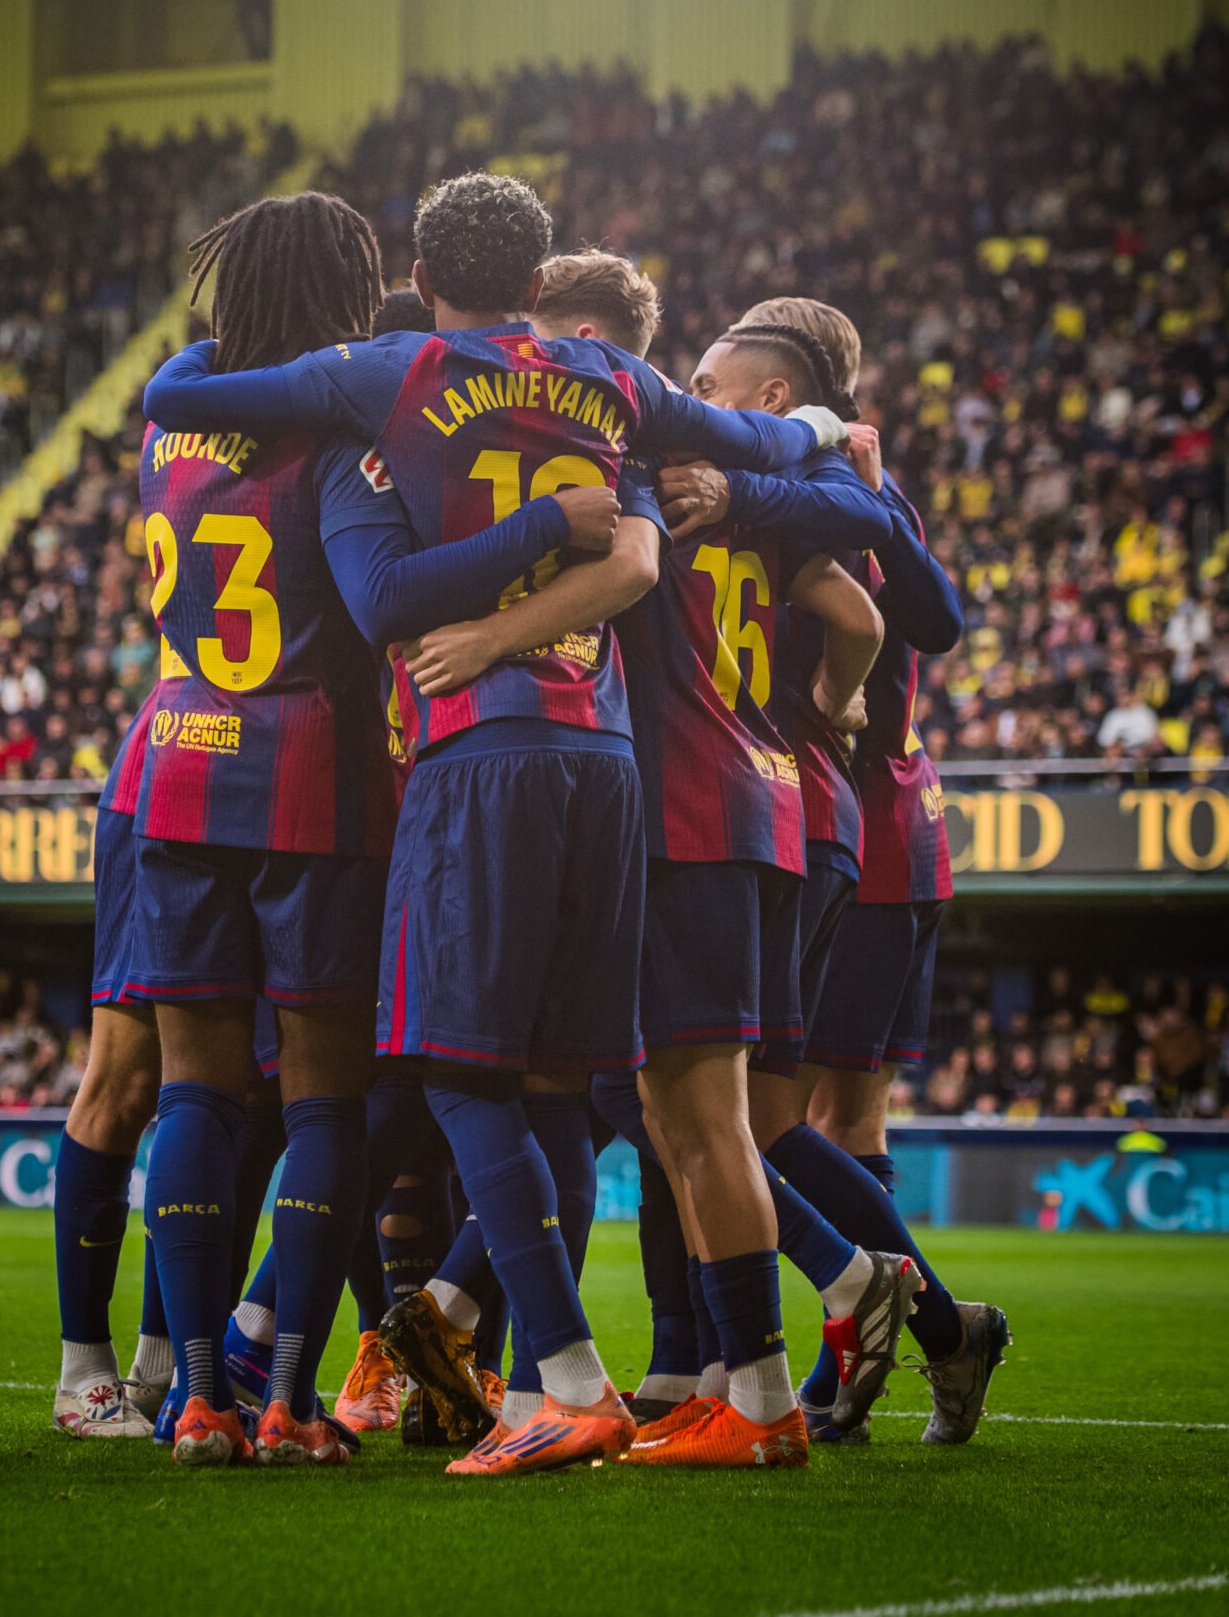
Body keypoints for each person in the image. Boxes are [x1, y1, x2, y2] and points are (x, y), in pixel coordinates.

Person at [142, 171, 851, 1477]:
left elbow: (180, 401)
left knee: (456, 1074)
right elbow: (762, 450)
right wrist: (819, 432)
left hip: (479, 750)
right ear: (538, 287)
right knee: (560, 1092)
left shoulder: (390, 372)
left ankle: (564, 1380)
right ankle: (663, 1387)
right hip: (609, 755)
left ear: (421, 279)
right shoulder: (615, 386)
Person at [133, 188, 626, 1469]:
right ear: (362, 294)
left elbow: (177, 382)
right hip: (314, 775)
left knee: (191, 1084)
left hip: (176, 762)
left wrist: (212, 342)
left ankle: (193, 1392)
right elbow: (379, 601)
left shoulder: (175, 434)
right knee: (328, 1103)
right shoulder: (352, 437)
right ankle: (293, 1396)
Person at [407, 251, 918, 1470]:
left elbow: (638, 567)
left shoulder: (645, 468)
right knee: (671, 1107)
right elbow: (859, 608)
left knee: (697, 1114)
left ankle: (777, 1374)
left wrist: (483, 631)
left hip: (679, 811)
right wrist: (830, 708)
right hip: (762, 803)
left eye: (700, 377)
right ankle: (720, 1373)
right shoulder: (735, 487)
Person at [732, 296, 1010, 1445]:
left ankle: (930, 1326)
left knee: (774, 1111)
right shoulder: (851, 484)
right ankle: (897, 1351)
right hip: (898, 817)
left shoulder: (823, 489)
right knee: (843, 1115)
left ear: (781, 394)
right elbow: (939, 614)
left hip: (859, 824)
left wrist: (871, 495)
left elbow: (933, 619)